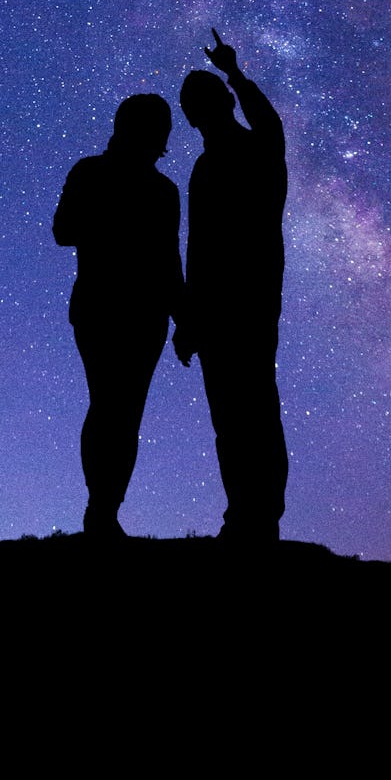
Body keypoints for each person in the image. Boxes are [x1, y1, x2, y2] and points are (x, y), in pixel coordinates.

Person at [173, 30, 288, 546]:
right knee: (230, 418)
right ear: (191, 117)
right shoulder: (202, 170)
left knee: (256, 410)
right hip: (216, 310)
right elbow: (198, 250)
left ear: (221, 101)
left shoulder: (256, 148)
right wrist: (190, 319)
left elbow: (269, 121)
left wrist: (235, 73)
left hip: (252, 300)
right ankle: (242, 513)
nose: (202, 110)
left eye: (207, 99)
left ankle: (260, 517)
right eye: (193, 106)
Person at [53, 93, 185, 539]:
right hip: (103, 307)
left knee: (123, 412)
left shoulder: (163, 191)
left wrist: (182, 319)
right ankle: (101, 510)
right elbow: (63, 231)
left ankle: (104, 510)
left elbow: (170, 261)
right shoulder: (92, 172)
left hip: (140, 314)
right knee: (112, 407)